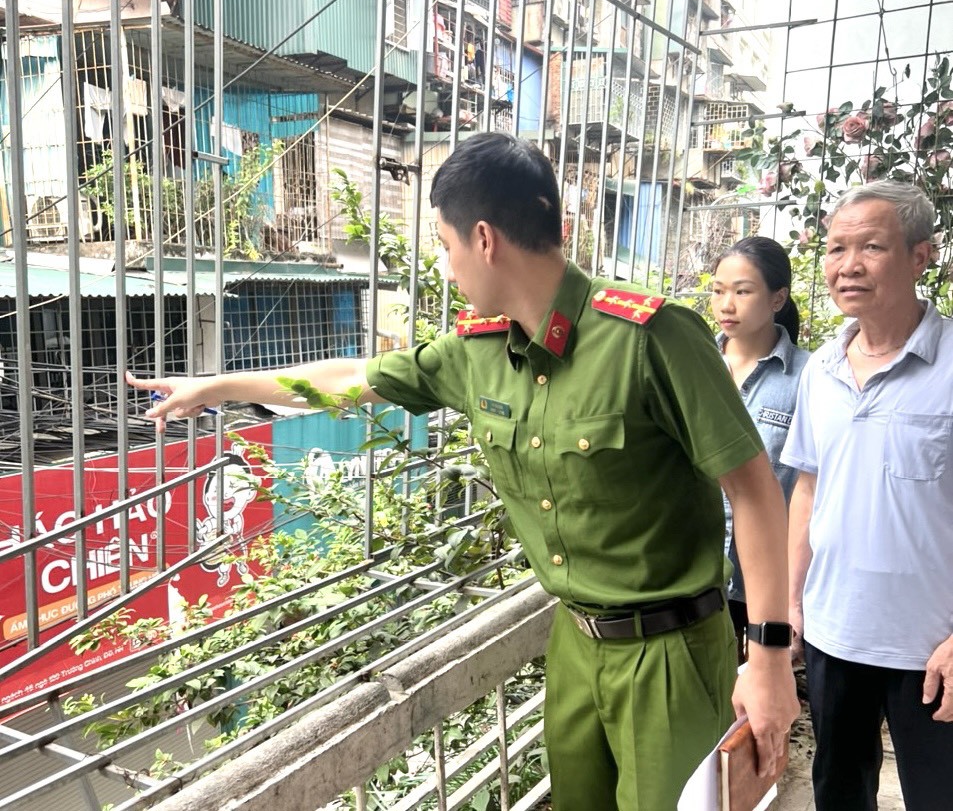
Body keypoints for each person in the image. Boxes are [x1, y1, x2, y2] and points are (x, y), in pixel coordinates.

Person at [128, 132, 798, 810]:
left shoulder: (651, 337)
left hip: (671, 654)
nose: (445, 268)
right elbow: (351, 378)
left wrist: (769, 656)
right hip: (573, 640)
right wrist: (217, 387)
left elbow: (752, 490)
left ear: (483, 239)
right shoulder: (474, 353)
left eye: (444, 247)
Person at [782, 180, 953, 811]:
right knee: (839, 791)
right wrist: (792, 604)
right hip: (834, 636)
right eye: (835, 249)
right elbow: (808, 489)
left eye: (872, 247)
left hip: (933, 649)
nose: (847, 266)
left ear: (921, 255)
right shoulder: (820, 371)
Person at [711, 237, 810, 662]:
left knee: (762, 711)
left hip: (766, 579)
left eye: (742, 290)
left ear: (777, 298)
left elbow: (810, 485)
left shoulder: (808, 377)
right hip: (698, 570)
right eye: (718, 290)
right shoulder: (696, 365)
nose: (726, 304)